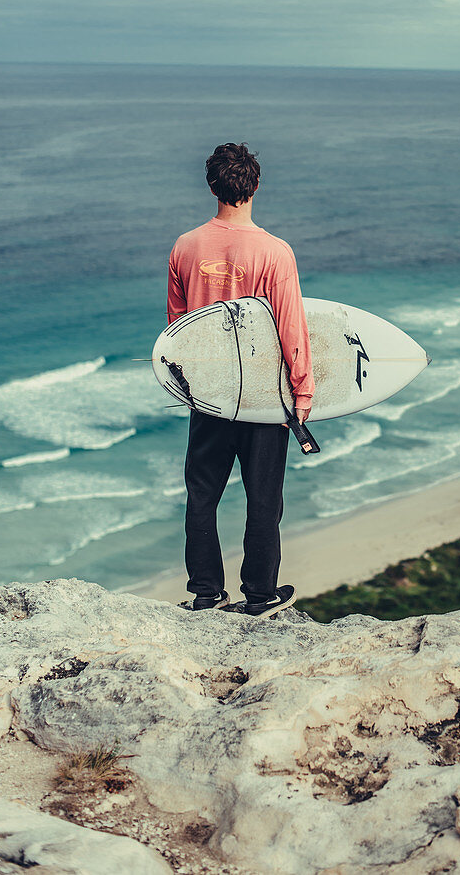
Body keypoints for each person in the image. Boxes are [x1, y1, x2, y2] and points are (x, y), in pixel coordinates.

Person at [166, 143, 314, 617]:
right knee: (264, 499)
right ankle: (259, 596)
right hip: (262, 399)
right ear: (255, 186)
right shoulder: (275, 252)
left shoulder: (185, 247)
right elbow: (292, 328)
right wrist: (302, 389)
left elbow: (176, 331)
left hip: (209, 396)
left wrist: (188, 387)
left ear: (212, 186)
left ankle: (207, 593)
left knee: (202, 496)